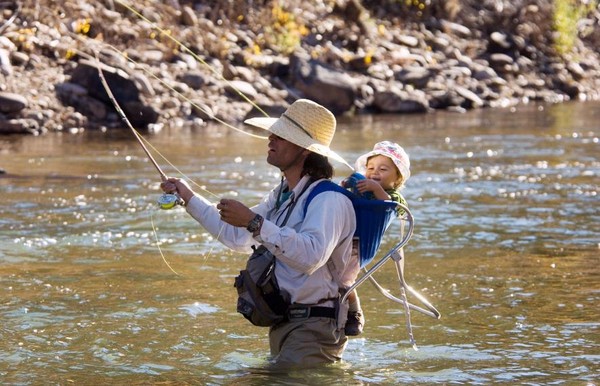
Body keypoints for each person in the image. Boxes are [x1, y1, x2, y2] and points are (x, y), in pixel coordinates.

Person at [160, 99, 357, 366]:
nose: (271, 138)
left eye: (282, 136)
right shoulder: (282, 195)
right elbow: (236, 236)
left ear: (305, 150)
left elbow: (311, 256)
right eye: (274, 132)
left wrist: (254, 222)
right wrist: (188, 197)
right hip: (286, 325)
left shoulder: (330, 200)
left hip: (313, 328)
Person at [340, 140, 411, 336]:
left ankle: (355, 312)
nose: (375, 172)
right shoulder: (365, 188)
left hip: (362, 244)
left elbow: (388, 205)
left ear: (397, 177)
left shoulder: (393, 195)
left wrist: (375, 188)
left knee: (344, 280)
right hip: (343, 238)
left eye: (383, 169)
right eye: (370, 168)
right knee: (330, 277)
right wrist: (347, 184)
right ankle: (338, 310)